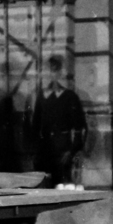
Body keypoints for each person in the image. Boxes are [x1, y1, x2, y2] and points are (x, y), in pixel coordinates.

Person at [29, 54, 88, 186]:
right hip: (44, 151)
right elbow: (35, 125)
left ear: (61, 72)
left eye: (56, 70)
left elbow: (79, 127)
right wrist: (34, 151)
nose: (53, 74)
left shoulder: (69, 97)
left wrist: (71, 151)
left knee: (62, 185)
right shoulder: (41, 97)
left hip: (63, 151)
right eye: (50, 70)